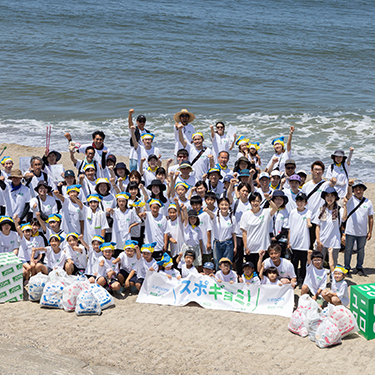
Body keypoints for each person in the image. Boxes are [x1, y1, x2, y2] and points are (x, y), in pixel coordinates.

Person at [301, 161, 337, 249]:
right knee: (308, 244)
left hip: (321, 218)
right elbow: (302, 202)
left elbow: (332, 184)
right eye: (316, 169)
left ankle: (323, 261)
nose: (317, 172)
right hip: (309, 219)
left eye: (320, 170)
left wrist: (334, 181)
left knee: (322, 243)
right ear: (311, 171)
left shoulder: (326, 184)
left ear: (323, 171)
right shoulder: (306, 186)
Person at [343, 179, 374, 276]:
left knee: (361, 251)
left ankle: (359, 267)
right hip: (350, 231)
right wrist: (349, 185)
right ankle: (347, 267)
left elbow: (371, 217)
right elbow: (348, 194)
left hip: (362, 232)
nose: (358, 191)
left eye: (360, 189)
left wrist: (370, 231)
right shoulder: (350, 199)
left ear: (363, 190)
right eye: (356, 189)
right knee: (348, 250)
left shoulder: (368, 202)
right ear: (353, 190)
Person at [240, 192, 277, 266]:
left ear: (260, 201)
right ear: (250, 202)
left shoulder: (265, 212)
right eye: (253, 201)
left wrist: (268, 199)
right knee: (251, 270)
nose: (255, 203)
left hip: (264, 247)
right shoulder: (245, 215)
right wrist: (246, 247)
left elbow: (275, 208)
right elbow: (244, 232)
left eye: (257, 201)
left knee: (263, 270)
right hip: (251, 248)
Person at [314, 187, 346, 267]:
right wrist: (318, 240)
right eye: (327, 196)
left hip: (334, 242)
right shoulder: (320, 210)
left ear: (335, 197)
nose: (330, 198)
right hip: (322, 241)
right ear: (324, 197)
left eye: (332, 196)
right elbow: (317, 226)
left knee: (333, 264)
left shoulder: (339, 210)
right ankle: (320, 279)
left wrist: (345, 206)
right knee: (318, 264)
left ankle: (333, 279)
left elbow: (344, 218)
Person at [204, 197, 237, 270]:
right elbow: (211, 215)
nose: (224, 207)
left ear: (229, 205)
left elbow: (234, 233)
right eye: (222, 205)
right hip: (217, 243)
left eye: (226, 205)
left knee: (228, 264)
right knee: (218, 263)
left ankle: (228, 280)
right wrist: (207, 210)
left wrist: (235, 246)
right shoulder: (216, 215)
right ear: (218, 205)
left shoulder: (232, 217)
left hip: (228, 243)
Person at [288, 192, 312, 287]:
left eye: (302, 201)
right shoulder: (292, 212)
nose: (300, 203)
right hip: (294, 243)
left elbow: (308, 219)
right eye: (298, 201)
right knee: (293, 263)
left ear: (305, 202)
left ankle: (302, 279)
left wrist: (309, 224)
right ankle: (294, 279)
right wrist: (289, 241)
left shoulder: (308, 212)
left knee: (303, 264)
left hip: (304, 244)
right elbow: (290, 227)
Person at [232, 182, 252, 276]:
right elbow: (228, 196)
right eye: (243, 190)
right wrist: (233, 186)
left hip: (250, 234)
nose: (245, 193)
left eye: (247, 191)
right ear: (239, 191)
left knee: (249, 256)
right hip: (238, 234)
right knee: (238, 257)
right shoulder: (236, 202)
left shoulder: (251, 204)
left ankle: (250, 274)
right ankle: (239, 274)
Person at [270, 190, 290, 257]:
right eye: (276, 199)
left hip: (280, 239)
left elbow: (285, 226)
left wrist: (277, 237)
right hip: (269, 238)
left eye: (281, 199)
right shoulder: (269, 209)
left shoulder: (285, 211)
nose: (278, 201)